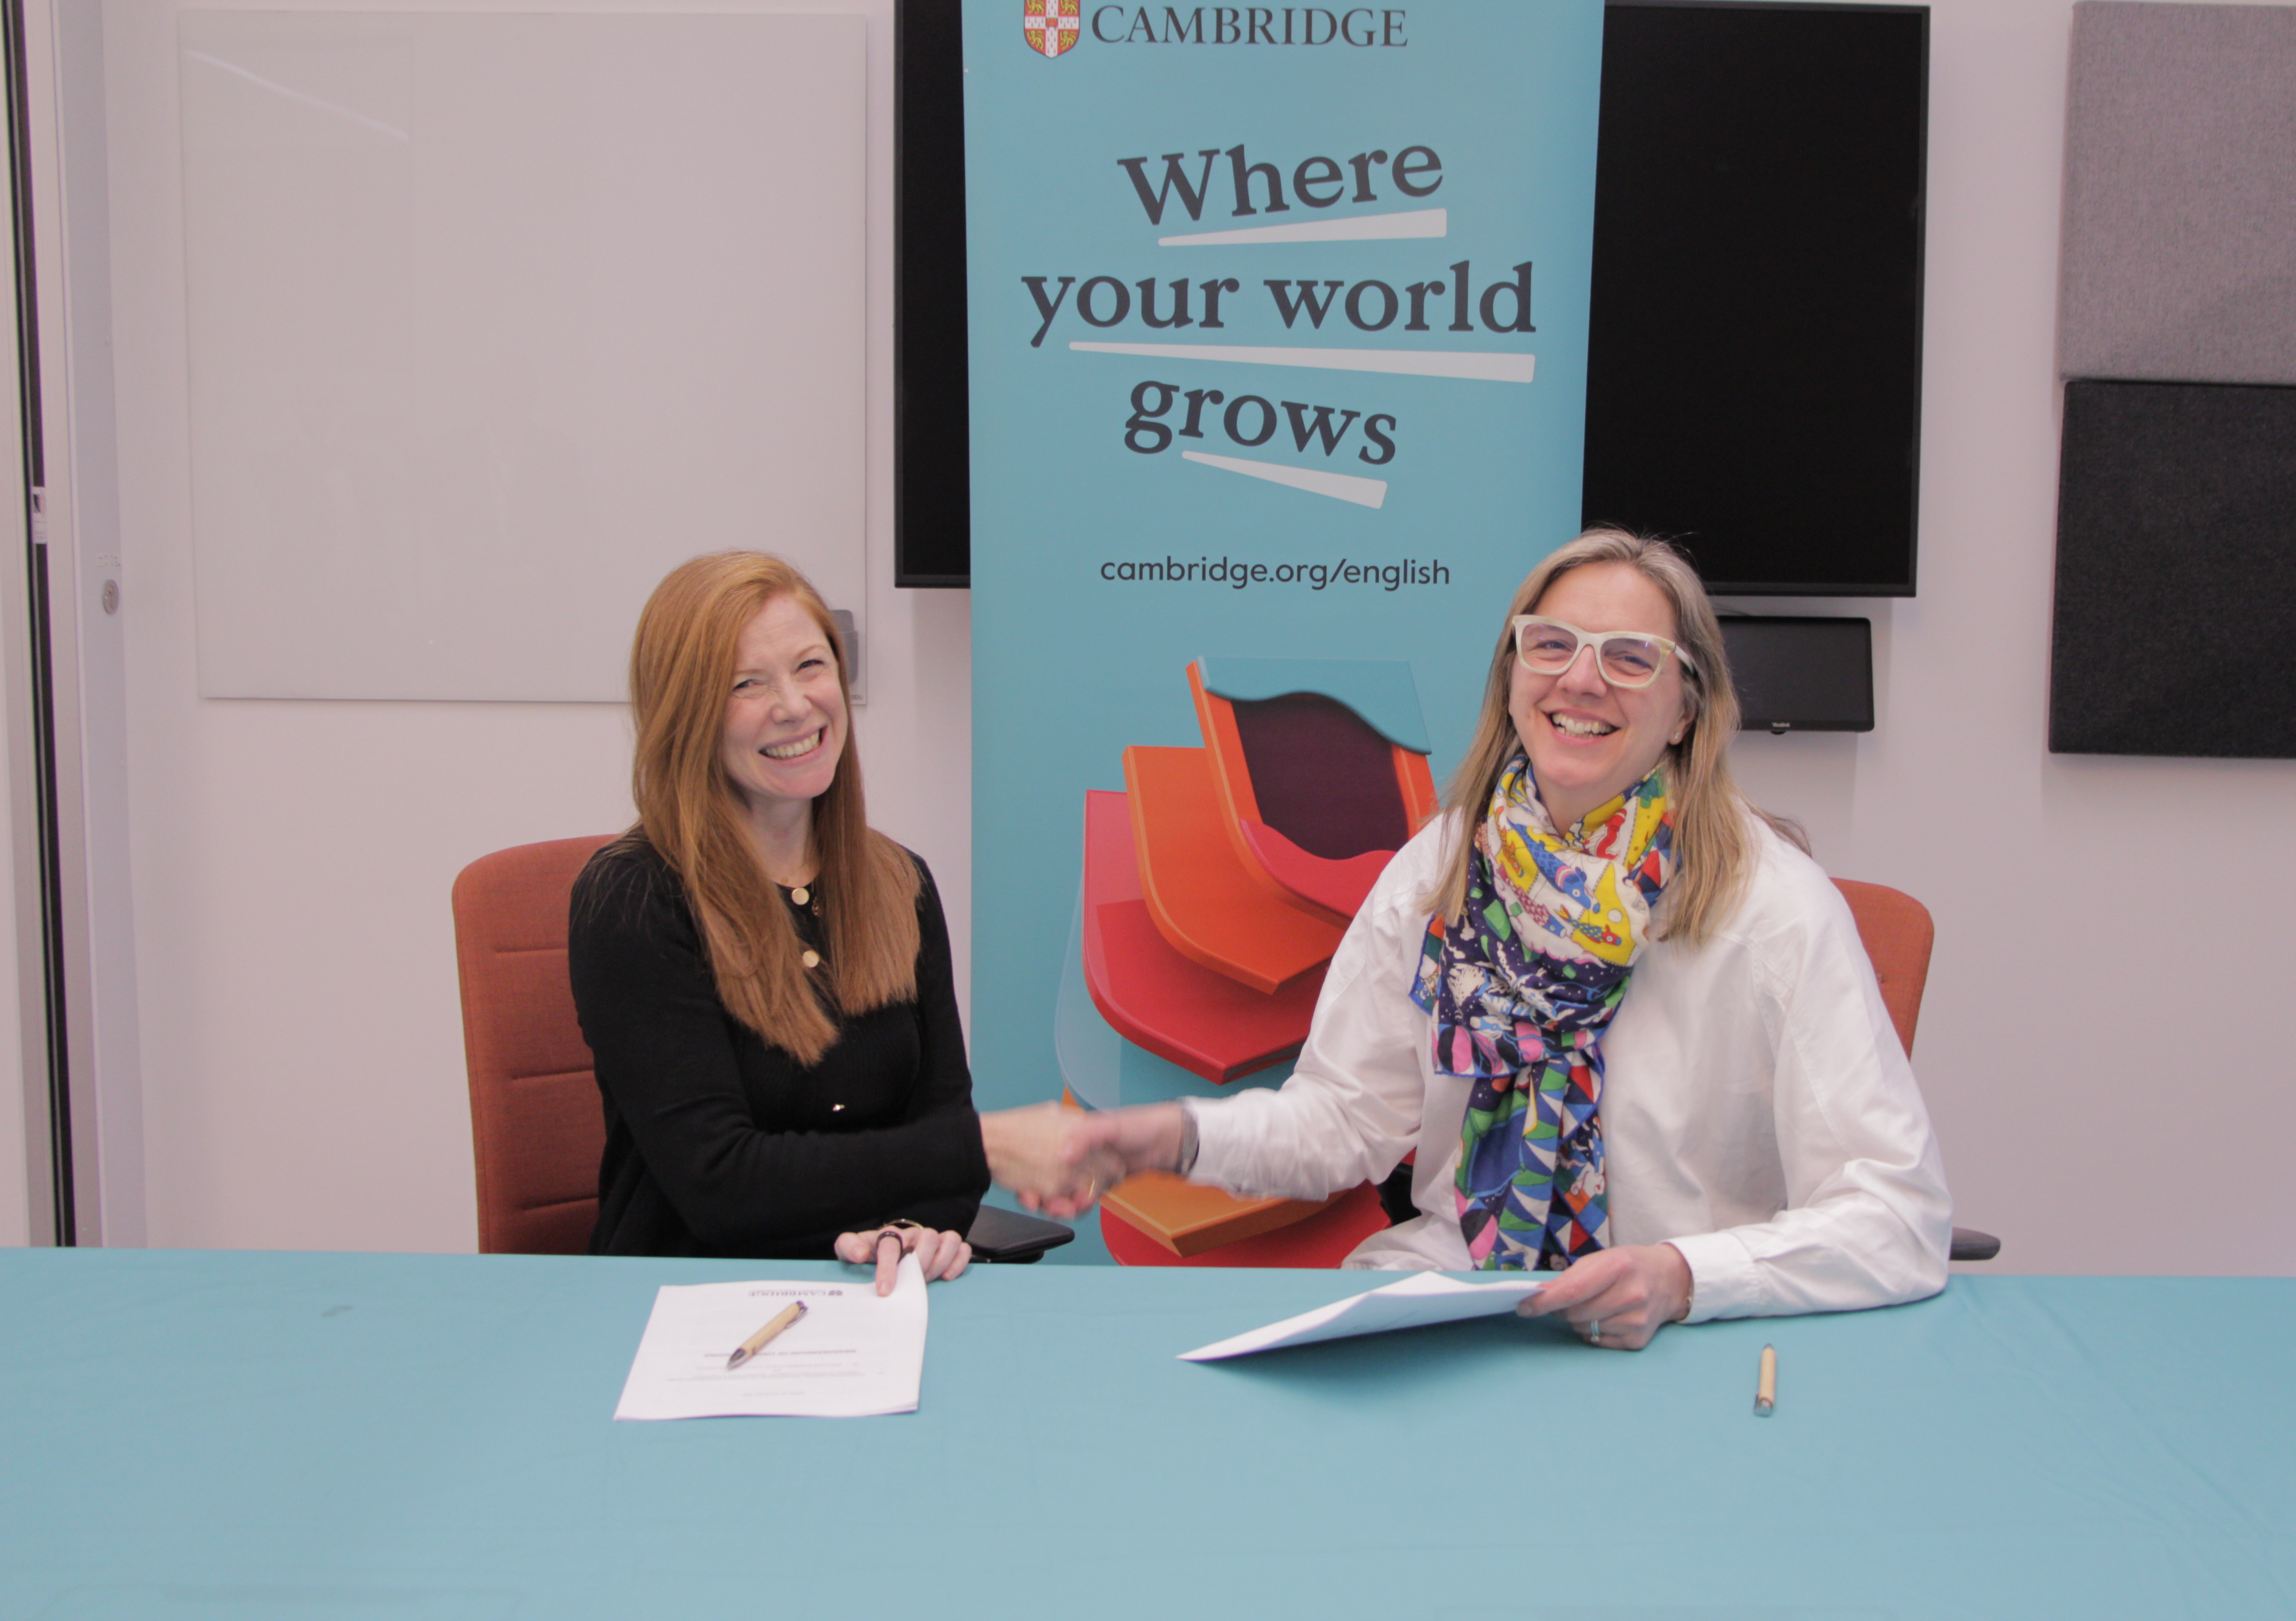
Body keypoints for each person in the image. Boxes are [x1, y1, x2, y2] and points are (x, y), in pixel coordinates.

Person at [1027, 528, 1952, 1347]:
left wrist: (1681, 1277)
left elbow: (1897, 1217)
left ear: (1686, 710)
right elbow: (1343, 1122)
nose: (1580, 680)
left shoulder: (1777, 910)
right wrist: (1174, 1135)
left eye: (1630, 659)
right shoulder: (1441, 869)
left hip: (1670, 1345)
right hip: (1451, 1305)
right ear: (1513, 679)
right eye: (1550, 646)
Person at [571, 551, 1087, 1281]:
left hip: (876, 1299)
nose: (794, 705)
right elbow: (719, 1183)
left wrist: (911, 1229)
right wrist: (988, 1145)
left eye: (811, 666)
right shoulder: (634, 900)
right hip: (688, 1300)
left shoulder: (898, 881)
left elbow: (942, 1141)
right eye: (746, 684)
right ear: (685, 714)